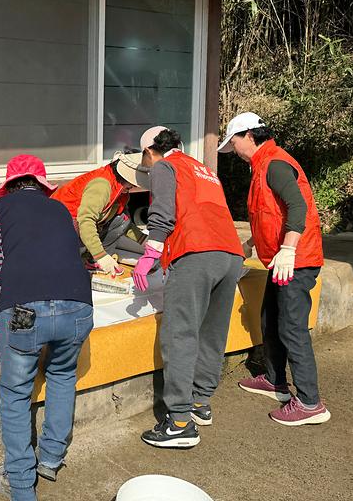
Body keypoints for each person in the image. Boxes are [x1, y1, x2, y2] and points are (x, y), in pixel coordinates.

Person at [0, 155, 92, 501]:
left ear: (9, 185)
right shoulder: (61, 210)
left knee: (15, 393)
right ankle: (52, 458)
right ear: (42, 186)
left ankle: (22, 485)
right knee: (61, 375)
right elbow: (76, 255)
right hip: (78, 307)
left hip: (24, 310)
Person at [133, 127, 244, 448]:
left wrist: (150, 254)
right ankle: (199, 403)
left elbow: (163, 213)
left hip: (196, 255)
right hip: (230, 255)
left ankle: (179, 422)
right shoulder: (206, 171)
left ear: (150, 152)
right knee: (212, 332)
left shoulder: (166, 167)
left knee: (180, 333)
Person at [218, 112, 330, 426]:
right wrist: (251, 243)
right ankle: (275, 380)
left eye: (235, 142)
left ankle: (310, 402)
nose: (235, 150)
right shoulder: (262, 165)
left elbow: (297, 206)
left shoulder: (276, 164)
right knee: (270, 318)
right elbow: (271, 213)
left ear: (249, 136)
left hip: (297, 260)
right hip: (282, 261)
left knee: (292, 328)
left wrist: (288, 247)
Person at [51, 151, 148, 274]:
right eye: (134, 183)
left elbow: (122, 221)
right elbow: (85, 220)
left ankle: (91, 259)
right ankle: (80, 260)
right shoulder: (102, 185)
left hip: (74, 223)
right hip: (60, 226)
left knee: (119, 220)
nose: (135, 186)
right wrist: (100, 256)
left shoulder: (119, 188)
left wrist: (144, 240)